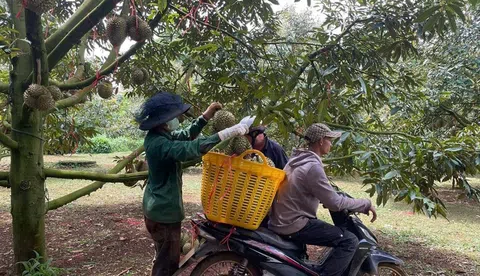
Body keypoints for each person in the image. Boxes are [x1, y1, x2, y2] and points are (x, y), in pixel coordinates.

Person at [136, 92, 249, 276]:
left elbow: (187, 135)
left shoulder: (163, 136)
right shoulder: (158, 144)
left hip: (158, 208)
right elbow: (190, 149)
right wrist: (227, 133)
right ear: (164, 121)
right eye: (174, 117)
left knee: (163, 258)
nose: (178, 119)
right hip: (163, 214)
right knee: (167, 266)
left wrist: (206, 115)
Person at [268, 123, 377, 276]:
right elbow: (335, 202)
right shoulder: (312, 166)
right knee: (349, 241)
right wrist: (365, 203)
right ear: (320, 141)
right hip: (293, 223)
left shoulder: (297, 160)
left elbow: (308, 190)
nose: (331, 144)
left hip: (283, 218)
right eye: (329, 140)